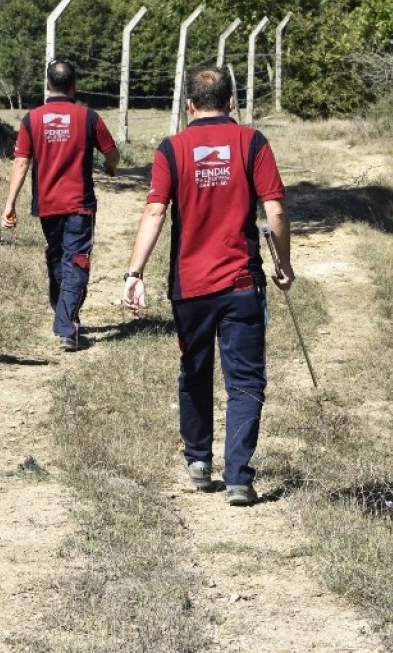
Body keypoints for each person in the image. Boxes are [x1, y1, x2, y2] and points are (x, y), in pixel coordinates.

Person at [122, 65, 293, 506]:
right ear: (232, 102)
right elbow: (274, 209)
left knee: (194, 370)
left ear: (189, 104)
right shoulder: (252, 142)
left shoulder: (172, 149)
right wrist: (285, 263)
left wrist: (134, 273)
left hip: (189, 286)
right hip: (241, 283)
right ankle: (238, 477)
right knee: (246, 381)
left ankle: (199, 462)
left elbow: (155, 212)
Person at [3, 60, 119, 351]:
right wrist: (110, 165)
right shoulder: (88, 117)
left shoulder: (32, 119)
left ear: (47, 85)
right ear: (73, 86)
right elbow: (112, 152)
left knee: (60, 260)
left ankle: (64, 318)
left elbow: (21, 162)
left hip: (47, 206)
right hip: (79, 205)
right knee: (75, 261)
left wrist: (10, 204)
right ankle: (66, 323)